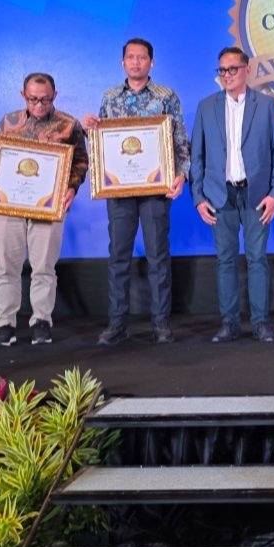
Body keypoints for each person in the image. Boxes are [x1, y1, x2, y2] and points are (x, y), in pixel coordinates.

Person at [83, 38, 190, 345]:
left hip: (156, 188)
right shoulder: (110, 97)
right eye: (130, 57)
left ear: (151, 62)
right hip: (119, 190)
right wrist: (90, 130)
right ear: (123, 62)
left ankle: (161, 323)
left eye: (142, 57)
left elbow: (180, 140)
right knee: (118, 257)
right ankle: (117, 324)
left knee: (158, 256)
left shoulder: (166, 96)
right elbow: (103, 144)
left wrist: (182, 174)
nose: (136, 62)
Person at [190, 47, 274, 343]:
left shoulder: (266, 105)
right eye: (222, 70)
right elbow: (197, 156)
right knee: (226, 260)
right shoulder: (206, 107)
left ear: (247, 70)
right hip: (219, 195)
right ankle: (229, 324)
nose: (227, 75)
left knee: (257, 258)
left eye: (232, 69)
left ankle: (260, 323)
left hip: (257, 195)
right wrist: (198, 198)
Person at [0, 73, 88, 346]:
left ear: (55, 96)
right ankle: (4, 323)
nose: (39, 105)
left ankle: (41, 321)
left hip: (49, 205)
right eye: (33, 99)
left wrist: (71, 188)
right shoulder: (8, 122)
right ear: (23, 96)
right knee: (5, 266)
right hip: (10, 206)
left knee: (44, 267)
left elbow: (80, 162)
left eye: (45, 100)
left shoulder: (69, 125)